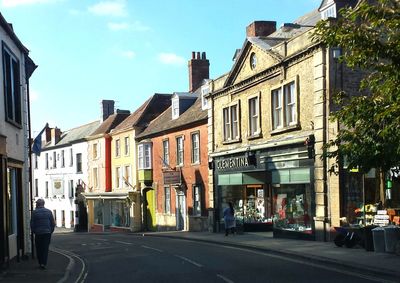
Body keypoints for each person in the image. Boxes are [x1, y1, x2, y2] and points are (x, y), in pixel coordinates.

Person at [30, 198, 56, 269]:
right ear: (43, 204)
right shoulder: (49, 212)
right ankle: (43, 263)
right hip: (47, 233)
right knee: (45, 248)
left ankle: (40, 262)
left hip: (38, 233)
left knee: (39, 248)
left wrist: (34, 231)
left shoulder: (34, 212)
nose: (35, 204)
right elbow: (53, 223)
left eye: (36, 203)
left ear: (38, 204)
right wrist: (50, 231)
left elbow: (32, 224)